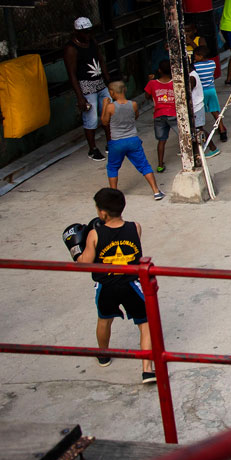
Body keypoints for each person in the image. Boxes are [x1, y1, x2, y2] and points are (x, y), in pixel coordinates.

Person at [76, 188, 155, 384]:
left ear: (102, 212)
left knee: (104, 320)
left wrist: (75, 249)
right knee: (145, 324)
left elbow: (84, 263)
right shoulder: (135, 227)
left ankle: (103, 355)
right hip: (131, 284)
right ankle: (147, 370)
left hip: (106, 286)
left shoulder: (94, 234)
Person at [101, 81, 164, 201]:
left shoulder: (110, 107)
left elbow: (104, 122)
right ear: (125, 90)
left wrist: (104, 105)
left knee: (112, 167)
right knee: (144, 165)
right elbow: (135, 116)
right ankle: (156, 191)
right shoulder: (133, 104)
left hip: (117, 142)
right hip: (133, 140)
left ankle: (114, 195)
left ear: (111, 92)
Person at [65, 17, 111, 162]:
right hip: (86, 86)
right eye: (84, 32)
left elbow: (100, 60)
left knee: (107, 113)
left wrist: (107, 79)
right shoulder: (71, 48)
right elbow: (72, 74)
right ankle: (93, 149)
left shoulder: (92, 41)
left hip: (100, 83)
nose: (88, 35)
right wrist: (80, 97)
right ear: (76, 32)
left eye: (89, 32)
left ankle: (110, 143)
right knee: (91, 119)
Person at [144, 61, 179, 173]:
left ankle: (160, 164)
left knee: (161, 141)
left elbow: (147, 96)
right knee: (183, 136)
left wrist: (149, 81)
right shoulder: (176, 82)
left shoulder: (152, 83)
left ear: (159, 70)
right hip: (173, 113)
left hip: (159, 114)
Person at [191, 43, 228, 142]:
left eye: (195, 56)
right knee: (215, 110)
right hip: (211, 90)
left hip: (201, 92)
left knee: (198, 112)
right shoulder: (212, 63)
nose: (194, 57)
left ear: (200, 56)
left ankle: (199, 133)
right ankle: (222, 130)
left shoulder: (195, 67)